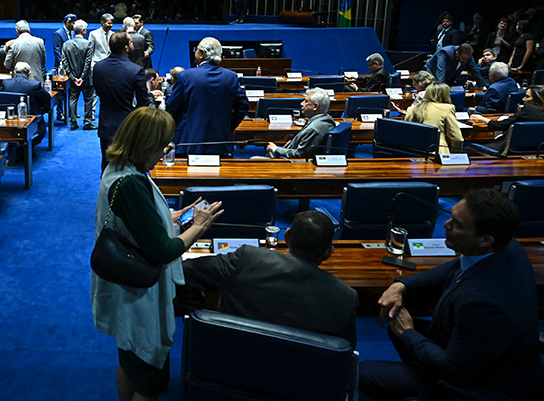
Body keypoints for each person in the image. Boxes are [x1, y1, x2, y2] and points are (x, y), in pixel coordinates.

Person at [359, 189, 544, 401]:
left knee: (366, 374)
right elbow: (458, 265)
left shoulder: (483, 303)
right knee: (394, 320)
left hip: (481, 389)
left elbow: (455, 371)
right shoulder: (506, 246)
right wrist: (402, 285)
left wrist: (408, 331)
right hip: (473, 353)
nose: (445, 225)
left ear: (485, 240)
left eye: (457, 224)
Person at [91, 107, 224, 401]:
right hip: (139, 293)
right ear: (145, 146)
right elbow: (165, 250)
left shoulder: (120, 168)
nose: (163, 152)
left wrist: (167, 216)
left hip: (124, 283)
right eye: (161, 146)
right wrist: (199, 227)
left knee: (128, 359)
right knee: (148, 374)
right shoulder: (132, 184)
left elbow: (130, 220)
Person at [181, 210, 358, 346]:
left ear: (286, 236)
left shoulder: (247, 259)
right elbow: (343, 355)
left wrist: (201, 322)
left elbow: (184, 271)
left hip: (233, 363)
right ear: (329, 252)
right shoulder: (346, 297)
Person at [166, 37, 249, 156]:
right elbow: (243, 106)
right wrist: (228, 125)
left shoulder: (186, 76)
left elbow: (171, 107)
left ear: (202, 54)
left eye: (197, 50)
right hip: (221, 140)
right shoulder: (231, 77)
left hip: (190, 140)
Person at [92, 30, 151, 171]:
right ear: (126, 48)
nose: (132, 44)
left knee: (107, 166)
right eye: (131, 41)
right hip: (128, 127)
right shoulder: (136, 70)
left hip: (106, 124)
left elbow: (98, 91)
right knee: (129, 167)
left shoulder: (98, 67)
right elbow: (143, 102)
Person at [262, 87, 335, 158]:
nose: (301, 103)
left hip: (295, 165)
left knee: (254, 159)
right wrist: (292, 142)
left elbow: (300, 155)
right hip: (294, 155)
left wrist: (276, 149)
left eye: (306, 101)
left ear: (315, 106)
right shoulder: (325, 119)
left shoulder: (314, 128)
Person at [469, 85, 544, 154]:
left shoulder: (529, 110)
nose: (523, 99)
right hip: (534, 151)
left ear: (538, 100)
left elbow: (500, 125)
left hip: (507, 149)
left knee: (467, 148)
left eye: (527, 97)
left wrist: (481, 119)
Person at [405, 83, 463, 154]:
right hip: (437, 153)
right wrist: (455, 155)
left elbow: (406, 134)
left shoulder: (411, 109)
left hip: (414, 153)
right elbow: (457, 138)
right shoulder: (447, 108)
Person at [1, 61, 49, 145]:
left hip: (11, 117)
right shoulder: (34, 85)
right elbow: (47, 97)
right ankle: (26, 148)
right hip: (30, 117)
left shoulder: (6, 83)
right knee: (42, 131)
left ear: (15, 72)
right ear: (29, 73)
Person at [62, 19, 95, 130]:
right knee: (88, 99)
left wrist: (73, 78)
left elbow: (65, 64)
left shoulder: (66, 44)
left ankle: (73, 122)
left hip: (73, 79)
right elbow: (87, 62)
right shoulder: (88, 44)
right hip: (87, 78)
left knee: (73, 99)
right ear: (83, 30)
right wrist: (82, 77)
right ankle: (87, 122)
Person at [52, 14, 76, 121]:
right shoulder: (58, 34)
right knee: (61, 91)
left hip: (72, 66)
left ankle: (71, 113)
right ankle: (60, 113)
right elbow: (57, 51)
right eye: (73, 23)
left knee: (72, 90)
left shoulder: (73, 33)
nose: (75, 25)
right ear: (68, 22)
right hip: (62, 67)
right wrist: (64, 65)